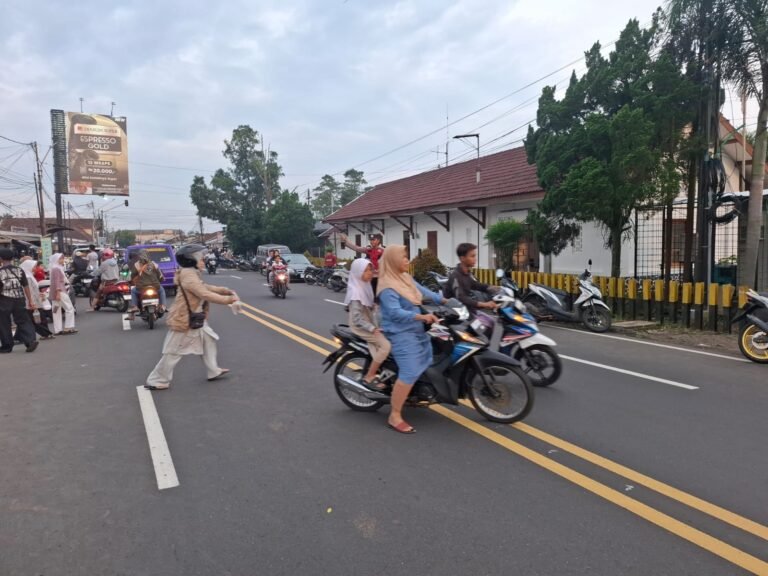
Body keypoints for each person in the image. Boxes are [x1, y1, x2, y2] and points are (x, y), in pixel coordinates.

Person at [145, 244, 239, 391]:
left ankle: (213, 369)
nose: (203, 261)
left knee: (208, 339)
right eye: (201, 258)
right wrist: (228, 300)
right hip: (185, 319)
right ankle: (157, 380)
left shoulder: (191, 272)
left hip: (195, 316)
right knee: (173, 351)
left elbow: (205, 287)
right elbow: (204, 293)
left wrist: (224, 291)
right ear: (191, 259)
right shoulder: (188, 275)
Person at [378, 245, 444, 434]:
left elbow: (424, 292)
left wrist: (447, 300)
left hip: (416, 330)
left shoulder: (405, 278)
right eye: (404, 257)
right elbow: (394, 313)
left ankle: (414, 393)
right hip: (400, 332)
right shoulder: (387, 286)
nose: (407, 260)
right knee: (410, 370)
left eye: (407, 257)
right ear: (392, 261)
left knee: (432, 357)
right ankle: (395, 415)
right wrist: (421, 317)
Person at [345, 258, 391, 389]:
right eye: (366, 270)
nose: (370, 272)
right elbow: (356, 319)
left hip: (369, 322)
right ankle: (369, 376)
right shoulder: (356, 293)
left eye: (370, 269)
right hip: (361, 327)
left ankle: (383, 372)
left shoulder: (364, 286)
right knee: (386, 346)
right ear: (358, 273)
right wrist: (372, 329)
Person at [0, 248, 39, 353]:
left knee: (4, 323)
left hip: (4, 300)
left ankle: (7, 346)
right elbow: (25, 286)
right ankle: (30, 341)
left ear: (1, 259)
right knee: (23, 320)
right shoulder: (19, 270)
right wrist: (30, 300)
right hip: (19, 299)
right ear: (12, 258)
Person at [443, 243, 499, 314]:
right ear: (462, 258)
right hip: (455, 314)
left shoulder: (466, 273)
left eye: (475, 256)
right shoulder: (456, 276)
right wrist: (485, 304)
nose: (475, 259)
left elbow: (476, 285)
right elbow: (462, 298)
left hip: (465, 310)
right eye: (472, 256)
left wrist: (494, 288)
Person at [19, 259, 54, 340]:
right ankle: (46, 334)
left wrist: (39, 294)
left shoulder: (30, 275)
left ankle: (19, 337)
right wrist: (32, 302)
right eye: (34, 267)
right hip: (32, 302)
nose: (35, 268)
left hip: (35, 300)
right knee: (37, 319)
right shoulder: (27, 277)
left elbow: (34, 289)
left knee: (35, 319)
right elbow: (29, 291)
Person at [128, 250, 166, 315]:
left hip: (141, 287)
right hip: (155, 286)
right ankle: (163, 305)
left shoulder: (137, 265)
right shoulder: (154, 264)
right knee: (162, 290)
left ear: (139, 256)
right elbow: (160, 275)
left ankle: (135, 306)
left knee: (133, 291)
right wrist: (161, 280)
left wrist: (131, 281)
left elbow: (132, 276)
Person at [49, 253, 77, 335]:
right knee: (69, 308)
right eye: (61, 258)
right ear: (57, 260)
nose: (63, 260)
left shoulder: (54, 268)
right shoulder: (57, 269)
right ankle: (68, 327)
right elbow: (57, 281)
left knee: (56, 310)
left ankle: (58, 329)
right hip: (60, 291)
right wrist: (58, 292)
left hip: (55, 292)